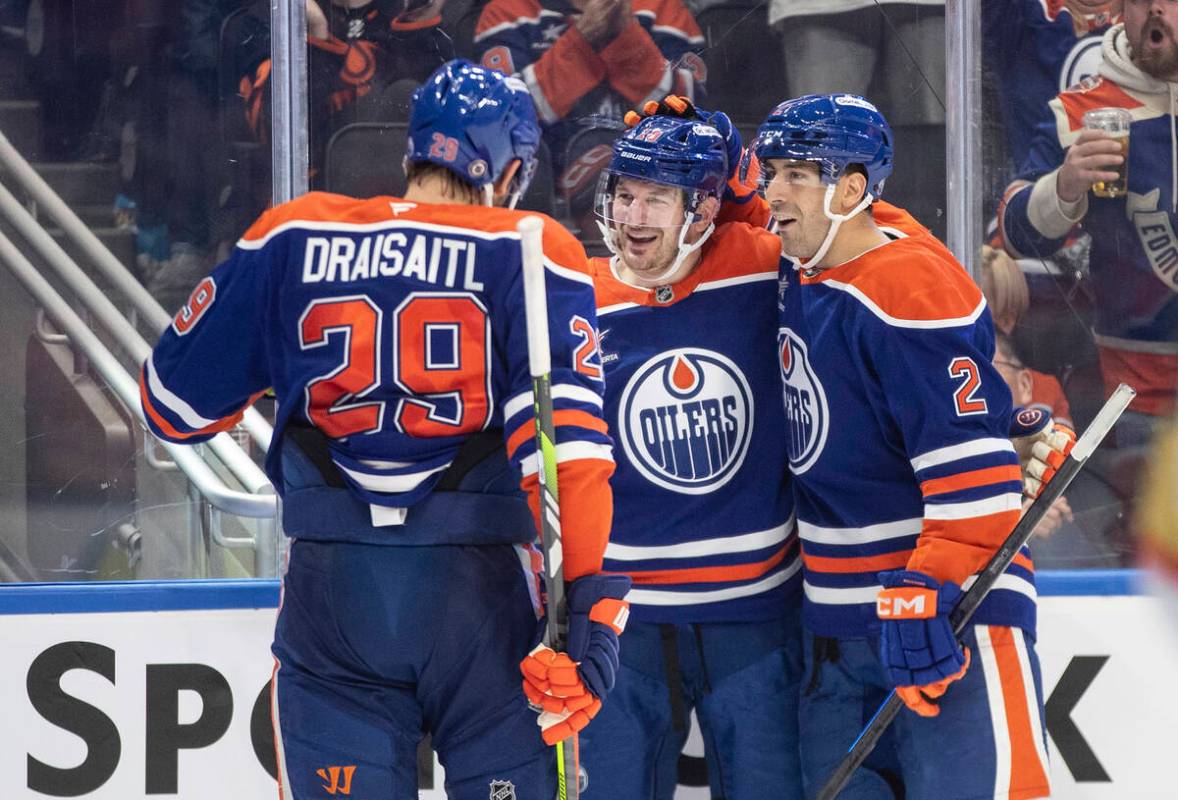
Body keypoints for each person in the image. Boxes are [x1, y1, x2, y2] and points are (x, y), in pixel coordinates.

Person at [140, 60, 628, 799]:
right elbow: (570, 461)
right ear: (514, 168)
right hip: (483, 602)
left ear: (414, 153)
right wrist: (590, 609)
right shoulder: (530, 244)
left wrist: (294, 362)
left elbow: (170, 406)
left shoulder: (292, 232)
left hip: (332, 598)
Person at [755, 94, 1052, 799]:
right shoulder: (813, 259)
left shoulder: (910, 289)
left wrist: (929, 587)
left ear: (850, 189)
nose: (773, 193)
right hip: (839, 636)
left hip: (954, 622)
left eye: (795, 174)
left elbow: (976, 488)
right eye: (770, 172)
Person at [573, 108, 805, 798]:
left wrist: (741, 179)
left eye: (657, 197)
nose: (635, 215)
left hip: (755, 618)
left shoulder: (759, 265)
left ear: (702, 208)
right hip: (622, 622)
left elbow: (864, 245)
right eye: (625, 194)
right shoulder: (573, 292)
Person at [999, 1, 1178, 455]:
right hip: (1138, 397)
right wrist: (1063, 187)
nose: (1156, 8)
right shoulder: (1083, 111)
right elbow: (1015, 229)